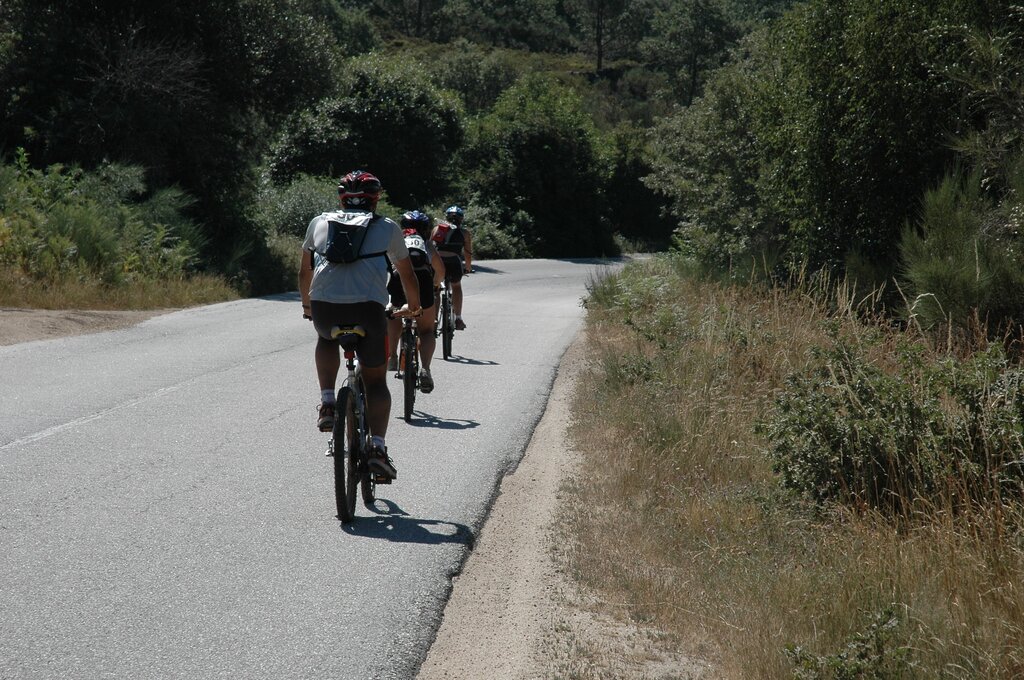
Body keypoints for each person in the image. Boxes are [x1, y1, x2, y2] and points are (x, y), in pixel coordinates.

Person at [298, 170, 420, 480]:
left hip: (325, 307)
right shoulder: (388, 228)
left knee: (325, 338)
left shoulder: (319, 222)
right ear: (375, 199)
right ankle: (377, 448)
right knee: (376, 382)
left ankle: (327, 402)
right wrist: (414, 307)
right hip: (369, 310)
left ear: (341, 198)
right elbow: (407, 275)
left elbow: (304, 272)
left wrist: (308, 306)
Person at [387, 210, 445, 393]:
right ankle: (425, 369)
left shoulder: (394, 239)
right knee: (427, 330)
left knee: (394, 315)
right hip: (423, 280)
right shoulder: (427, 244)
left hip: (398, 279)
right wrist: (435, 284)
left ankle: (393, 357)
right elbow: (440, 271)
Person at [430, 205, 473, 330]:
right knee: (456, 286)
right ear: (461, 219)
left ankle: (434, 319)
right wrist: (468, 268)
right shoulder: (465, 233)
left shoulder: (437, 229)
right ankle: (458, 318)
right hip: (454, 262)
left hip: (438, 262)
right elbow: (468, 253)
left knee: (436, 289)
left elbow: (430, 247)